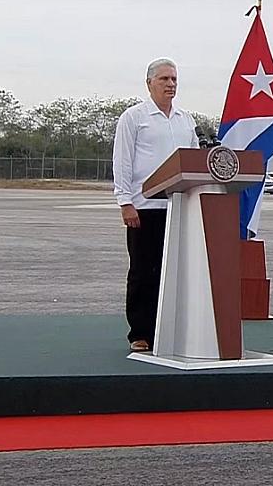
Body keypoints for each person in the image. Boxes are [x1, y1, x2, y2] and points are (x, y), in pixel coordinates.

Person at [113, 58, 199, 352]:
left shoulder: (186, 120)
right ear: (149, 83)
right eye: (164, 79)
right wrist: (125, 201)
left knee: (174, 271)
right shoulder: (134, 118)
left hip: (178, 207)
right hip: (144, 207)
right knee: (142, 270)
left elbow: (194, 161)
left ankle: (171, 329)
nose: (171, 84)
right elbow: (123, 161)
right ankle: (140, 331)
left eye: (174, 79)